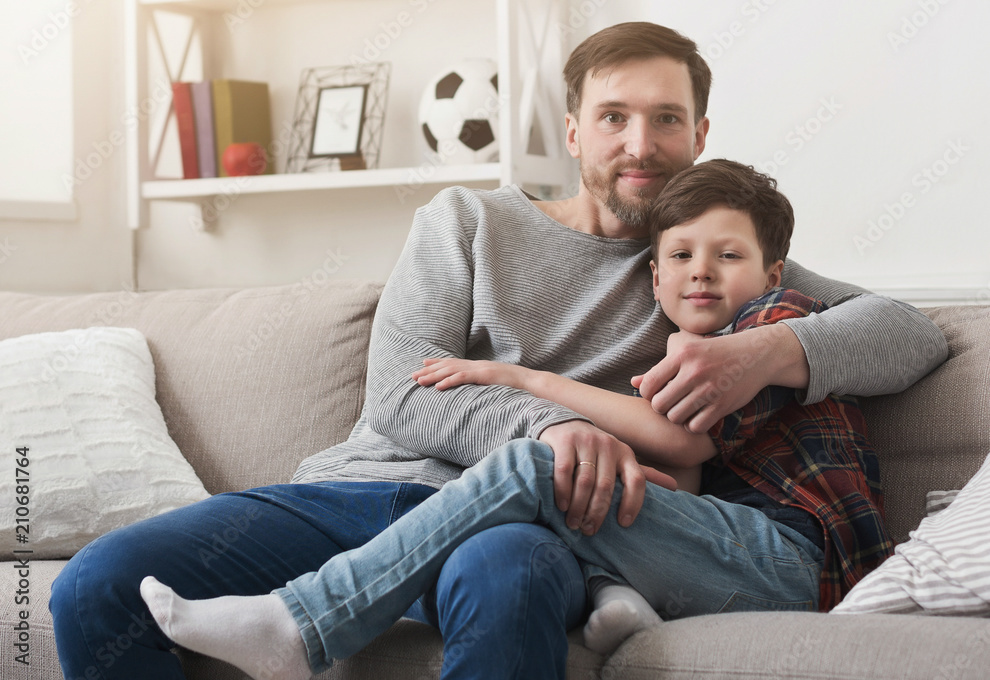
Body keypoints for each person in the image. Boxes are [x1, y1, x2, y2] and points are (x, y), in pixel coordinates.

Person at [50, 23, 946, 680]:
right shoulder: (468, 221)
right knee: (98, 585)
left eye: (667, 120)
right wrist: (550, 428)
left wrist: (765, 353)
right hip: (360, 494)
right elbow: (404, 395)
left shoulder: (703, 258)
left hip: (526, 527)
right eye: (614, 118)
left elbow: (908, 332)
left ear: (700, 136)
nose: (641, 145)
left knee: (510, 579)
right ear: (571, 130)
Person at [135, 158, 893, 680]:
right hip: (739, 547)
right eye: (683, 253)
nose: (702, 268)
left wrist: (520, 378)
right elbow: (687, 481)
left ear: (770, 272)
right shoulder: (679, 340)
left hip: (798, 559)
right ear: (653, 272)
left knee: (543, 465)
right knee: (605, 486)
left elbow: (681, 436)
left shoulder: (772, 324)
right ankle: (617, 595)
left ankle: (307, 624)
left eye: (726, 255)